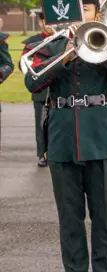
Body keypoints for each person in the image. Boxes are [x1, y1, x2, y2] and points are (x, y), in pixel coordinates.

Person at [24, 0, 107, 272]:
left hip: (100, 139)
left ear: (96, 13)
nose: (80, 15)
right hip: (62, 142)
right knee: (70, 220)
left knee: (105, 219)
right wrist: (66, 57)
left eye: (86, 9)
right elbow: (32, 83)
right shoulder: (50, 46)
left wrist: (97, 45)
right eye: (76, 10)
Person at [21, 11, 53, 166]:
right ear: (40, 23)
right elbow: (24, 65)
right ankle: (42, 153)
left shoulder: (64, 39)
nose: (47, 25)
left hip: (59, 89)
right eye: (44, 22)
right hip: (40, 91)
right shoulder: (32, 42)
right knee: (41, 124)